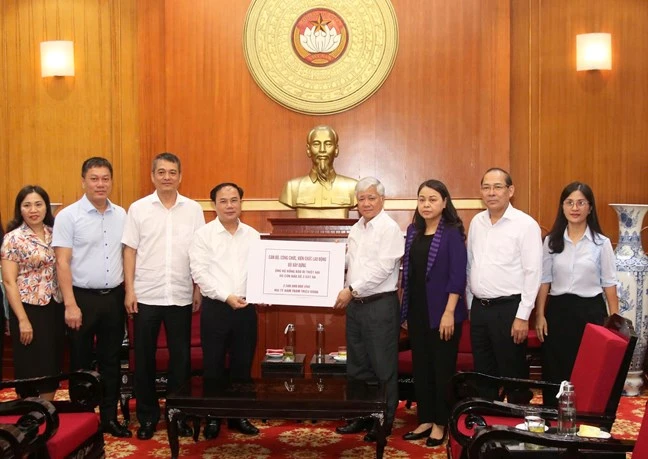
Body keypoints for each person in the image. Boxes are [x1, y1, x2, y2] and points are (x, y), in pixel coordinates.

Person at [122, 152, 205, 440]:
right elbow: (130, 250)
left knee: (179, 360)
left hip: (181, 295)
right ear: (152, 176)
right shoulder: (138, 209)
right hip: (145, 294)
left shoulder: (193, 209)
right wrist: (129, 290)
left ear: (180, 176)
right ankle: (147, 417)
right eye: (161, 172)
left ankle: (178, 415)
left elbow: (199, 252)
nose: (167, 177)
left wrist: (197, 287)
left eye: (172, 172)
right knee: (143, 359)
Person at [53, 157, 131, 437]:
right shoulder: (68, 216)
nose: (101, 184)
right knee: (81, 361)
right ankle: (83, 421)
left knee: (111, 361)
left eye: (105, 178)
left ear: (111, 181)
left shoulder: (122, 215)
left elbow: (127, 255)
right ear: (83, 181)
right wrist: (70, 304)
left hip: (113, 299)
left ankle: (109, 418)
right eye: (94, 178)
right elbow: (62, 263)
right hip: (81, 299)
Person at [333, 177, 404, 442]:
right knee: (357, 367)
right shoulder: (356, 228)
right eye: (361, 198)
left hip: (379, 306)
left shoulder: (390, 229)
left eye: (371, 197)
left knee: (383, 369)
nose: (366, 203)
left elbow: (383, 269)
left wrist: (351, 290)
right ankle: (360, 416)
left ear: (382, 200)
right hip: (356, 308)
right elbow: (350, 263)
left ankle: (383, 422)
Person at [535, 182, 619, 403]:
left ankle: (584, 425)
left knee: (588, 370)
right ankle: (553, 424)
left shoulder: (601, 243)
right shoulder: (551, 241)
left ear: (590, 208)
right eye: (569, 202)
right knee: (555, 370)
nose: (575, 207)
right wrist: (540, 315)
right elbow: (544, 280)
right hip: (558, 312)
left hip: (590, 313)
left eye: (581, 202)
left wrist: (615, 321)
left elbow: (609, 284)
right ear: (562, 207)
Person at [189, 182, 261, 439]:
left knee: (242, 366)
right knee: (214, 366)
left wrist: (263, 292)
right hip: (216, 308)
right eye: (223, 201)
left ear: (241, 203)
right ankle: (212, 417)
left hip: (246, 309)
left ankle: (238, 416)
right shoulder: (203, 236)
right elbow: (200, 273)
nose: (229, 205)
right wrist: (226, 296)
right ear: (214, 205)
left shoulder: (253, 235)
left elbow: (261, 271)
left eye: (234, 200)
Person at [400, 180, 468, 446]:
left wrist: (449, 312)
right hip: (418, 311)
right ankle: (425, 419)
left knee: (442, 370)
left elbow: (457, 275)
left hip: (444, 313)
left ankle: (441, 422)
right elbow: (409, 274)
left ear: (444, 203)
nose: (426, 204)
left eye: (432, 199)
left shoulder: (451, 232)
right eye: (422, 199)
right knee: (422, 369)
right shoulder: (413, 231)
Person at [466, 167, 542, 402]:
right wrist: (471, 304)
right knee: (483, 372)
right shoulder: (477, 221)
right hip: (479, 309)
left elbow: (533, 273)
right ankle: (488, 425)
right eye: (486, 187)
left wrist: (523, 315)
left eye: (498, 187)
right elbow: (471, 263)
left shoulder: (525, 224)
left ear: (511, 191)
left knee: (513, 374)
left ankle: (516, 427)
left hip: (509, 310)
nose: (491, 192)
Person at [1, 185, 64, 399]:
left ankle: (47, 413)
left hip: (54, 307)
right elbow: (9, 281)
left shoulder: (56, 234)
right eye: (27, 205)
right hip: (27, 308)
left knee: (51, 364)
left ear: (46, 207)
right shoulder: (13, 238)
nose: (33, 209)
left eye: (38, 204)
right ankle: (28, 415)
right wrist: (22, 319)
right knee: (29, 367)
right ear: (20, 209)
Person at [279, 125, 358, 218]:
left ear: (336, 149)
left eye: (328, 144)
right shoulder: (292, 188)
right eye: (316, 144)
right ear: (308, 150)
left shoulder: (353, 187)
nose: (322, 150)